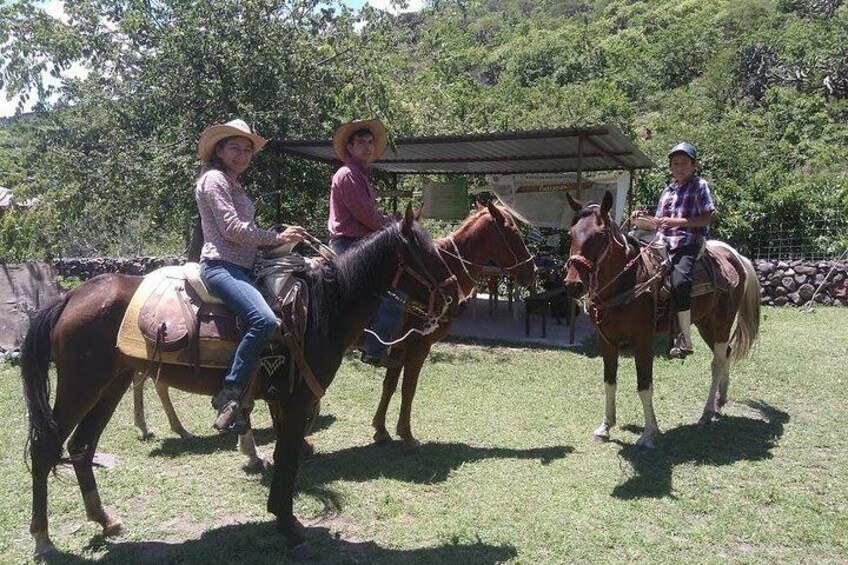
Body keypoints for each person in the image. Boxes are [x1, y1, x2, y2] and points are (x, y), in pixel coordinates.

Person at [195, 119, 307, 432]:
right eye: (235, 148)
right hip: (220, 266)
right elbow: (231, 230)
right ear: (219, 150)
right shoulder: (215, 180)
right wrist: (278, 237)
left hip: (242, 268)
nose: (242, 155)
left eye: (247, 150)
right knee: (265, 320)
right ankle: (229, 393)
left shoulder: (232, 183)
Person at [327, 119, 404, 368]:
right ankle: (373, 348)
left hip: (358, 243)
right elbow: (368, 217)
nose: (367, 147)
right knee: (395, 289)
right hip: (348, 245)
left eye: (370, 142)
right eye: (361, 142)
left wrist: (392, 221)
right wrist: (395, 226)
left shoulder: (360, 175)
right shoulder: (347, 175)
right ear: (349, 147)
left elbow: (370, 216)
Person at [634, 141, 715, 358]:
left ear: (693, 165)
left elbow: (706, 218)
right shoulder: (668, 190)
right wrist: (643, 219)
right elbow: (660, 223)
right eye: (675, 163)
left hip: (687, 242)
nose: (679, 167)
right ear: (670, 166)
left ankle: (685, 337)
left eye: (684, 163)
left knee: (680, 282)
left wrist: (676, 222)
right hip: (662, 242)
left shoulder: (700, 186)